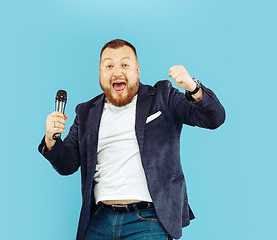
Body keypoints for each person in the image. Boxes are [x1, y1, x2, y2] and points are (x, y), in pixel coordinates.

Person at [38, 39, 225, 240]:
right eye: (109, 66)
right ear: (101, 72)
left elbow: (213, 118)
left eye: (125, 65)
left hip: (148, 221)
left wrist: (192, 87)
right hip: (99, 221)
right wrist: (51, 139)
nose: (117, 71)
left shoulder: (163, 97)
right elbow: (67, 165)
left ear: (137, 70)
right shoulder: (86, 112)